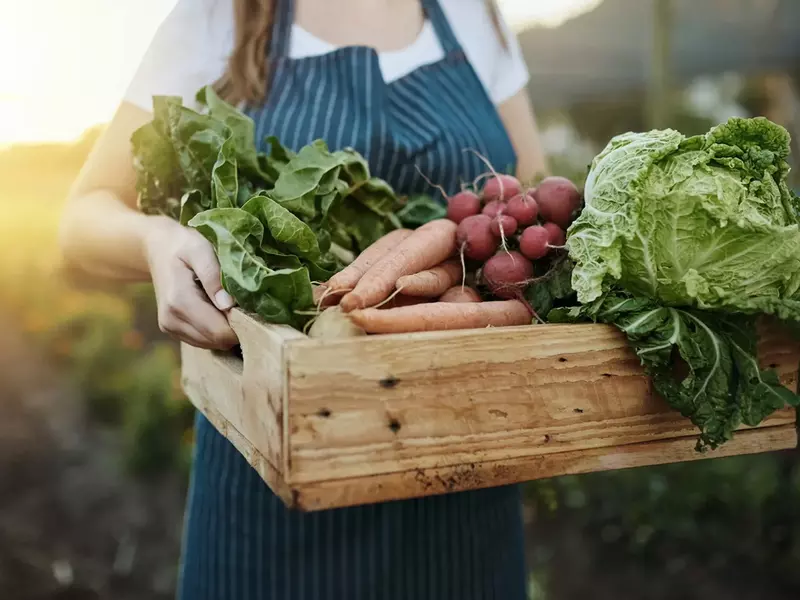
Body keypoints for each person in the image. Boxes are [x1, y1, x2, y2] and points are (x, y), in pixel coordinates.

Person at [59, 0, 548, 597]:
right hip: (273, 472)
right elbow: (82, 218)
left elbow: (529, 205)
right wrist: (158, 241)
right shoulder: (219, 16)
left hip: (466, 463)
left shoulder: (472, 13)